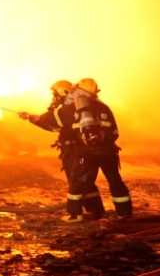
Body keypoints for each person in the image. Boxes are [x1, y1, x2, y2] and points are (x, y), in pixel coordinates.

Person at [19, 81, 105, 218]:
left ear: (63, 93)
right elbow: (54, 126)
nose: (54, 98)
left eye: (55, 95)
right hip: (76, 150)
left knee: (77, 182)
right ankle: (95, 211)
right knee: (85, 181)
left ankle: (76, 214)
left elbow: (52, 120)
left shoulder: (70, 108)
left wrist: (31, 117)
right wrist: (31, 118)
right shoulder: (74, 107)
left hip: (76, 151)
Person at [65, 78, 133, 220]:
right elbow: (115, 132)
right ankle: (125, 214)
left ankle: (75, 215)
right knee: (115, 182)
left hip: (86, 153)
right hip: (108, 152)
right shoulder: (104, 108)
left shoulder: (74, 110)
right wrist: (104, 144)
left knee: (78, 181)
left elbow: (67, 129)